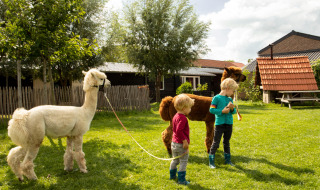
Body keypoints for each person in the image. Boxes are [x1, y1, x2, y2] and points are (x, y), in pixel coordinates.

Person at [208, 78, 239, 169]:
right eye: (233, 91)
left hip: (229, 124)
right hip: (219, 124)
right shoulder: (216, 98)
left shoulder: (230, 99)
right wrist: (222, 111)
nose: (233, 93)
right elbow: (211, 110)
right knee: (216, 142)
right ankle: (211, 162)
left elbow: (233, 112)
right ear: (228, 88)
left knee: (226, 142)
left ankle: (228, 160)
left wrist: (232, 108)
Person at [169, 94, 194, 185]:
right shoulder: (183, 118)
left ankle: (172, 176)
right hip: (180, 144)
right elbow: (179, 130)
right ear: (184, 108)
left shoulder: (175, 116)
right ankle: (182, 180)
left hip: (174, 143)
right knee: (183, 161)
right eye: (189, 108)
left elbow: (175, 129)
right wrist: (184, 141)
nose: (190, 109)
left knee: (175, 160)